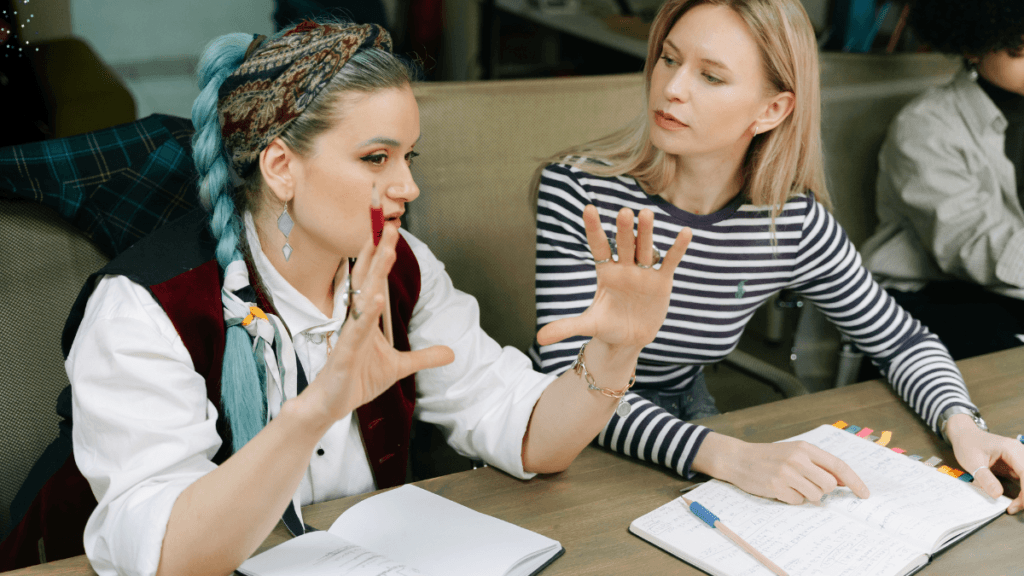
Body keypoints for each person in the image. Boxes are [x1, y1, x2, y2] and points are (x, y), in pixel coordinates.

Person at [62, 20, 693, 576]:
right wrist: (318, 408)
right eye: (375, 158)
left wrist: (616, 352)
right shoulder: (143, 309)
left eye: (408, 155)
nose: (409, 186)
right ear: (281, 167)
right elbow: (168, 556)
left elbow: (532, 438)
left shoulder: (403, 267)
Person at [530, 0, 1024, 515]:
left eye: (711, 76)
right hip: (567, 436)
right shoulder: (578, 191)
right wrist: (728, 457)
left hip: (690, 423)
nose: (672, 87)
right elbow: (568, 379)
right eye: (669, 59)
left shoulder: (791, 222)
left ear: (771, 110)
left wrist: (964, 426)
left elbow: (902, 341)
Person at [861, 0, 1024, 361]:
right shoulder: (925, 127)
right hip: (928, 295)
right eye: (1019, 51)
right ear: (974, 47)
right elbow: (971, 244)